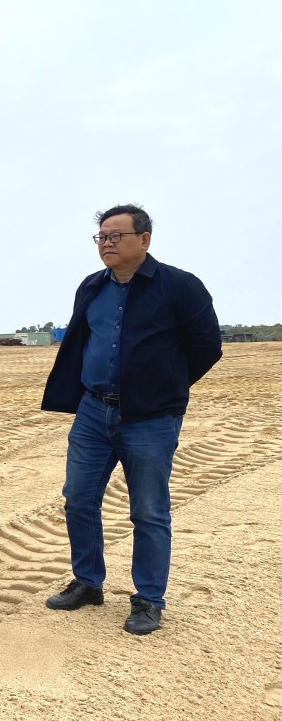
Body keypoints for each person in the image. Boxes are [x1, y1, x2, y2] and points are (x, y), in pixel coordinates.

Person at [42, 204, 221, 635]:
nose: (107, 243)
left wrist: (164, 386)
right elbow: (83, 342)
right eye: (101, 236)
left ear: (144, 239)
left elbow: (207, 347)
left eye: (116, 236)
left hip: (151, 417)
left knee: (148, 509)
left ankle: (148, 599)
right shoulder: (92, 287)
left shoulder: (180, 285)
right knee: (78, 499)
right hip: (92, 412)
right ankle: (88, 583)